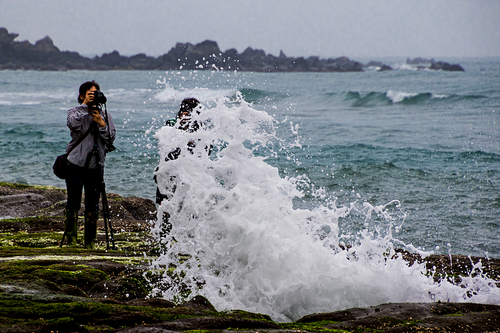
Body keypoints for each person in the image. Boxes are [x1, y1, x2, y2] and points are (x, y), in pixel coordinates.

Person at [63, 80, 116, 249]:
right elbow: (73, 125)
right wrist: (86, 109)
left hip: (96, 165)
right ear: (82, 96)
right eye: (90, 94)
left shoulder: (105, 115)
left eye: (96, 94)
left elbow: (110, 139)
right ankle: (71, 241)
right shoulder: (74, 111)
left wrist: (101, 124)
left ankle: (90, 244)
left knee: (93, 205)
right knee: (73, 203)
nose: (93, 97)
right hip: (75, 165)